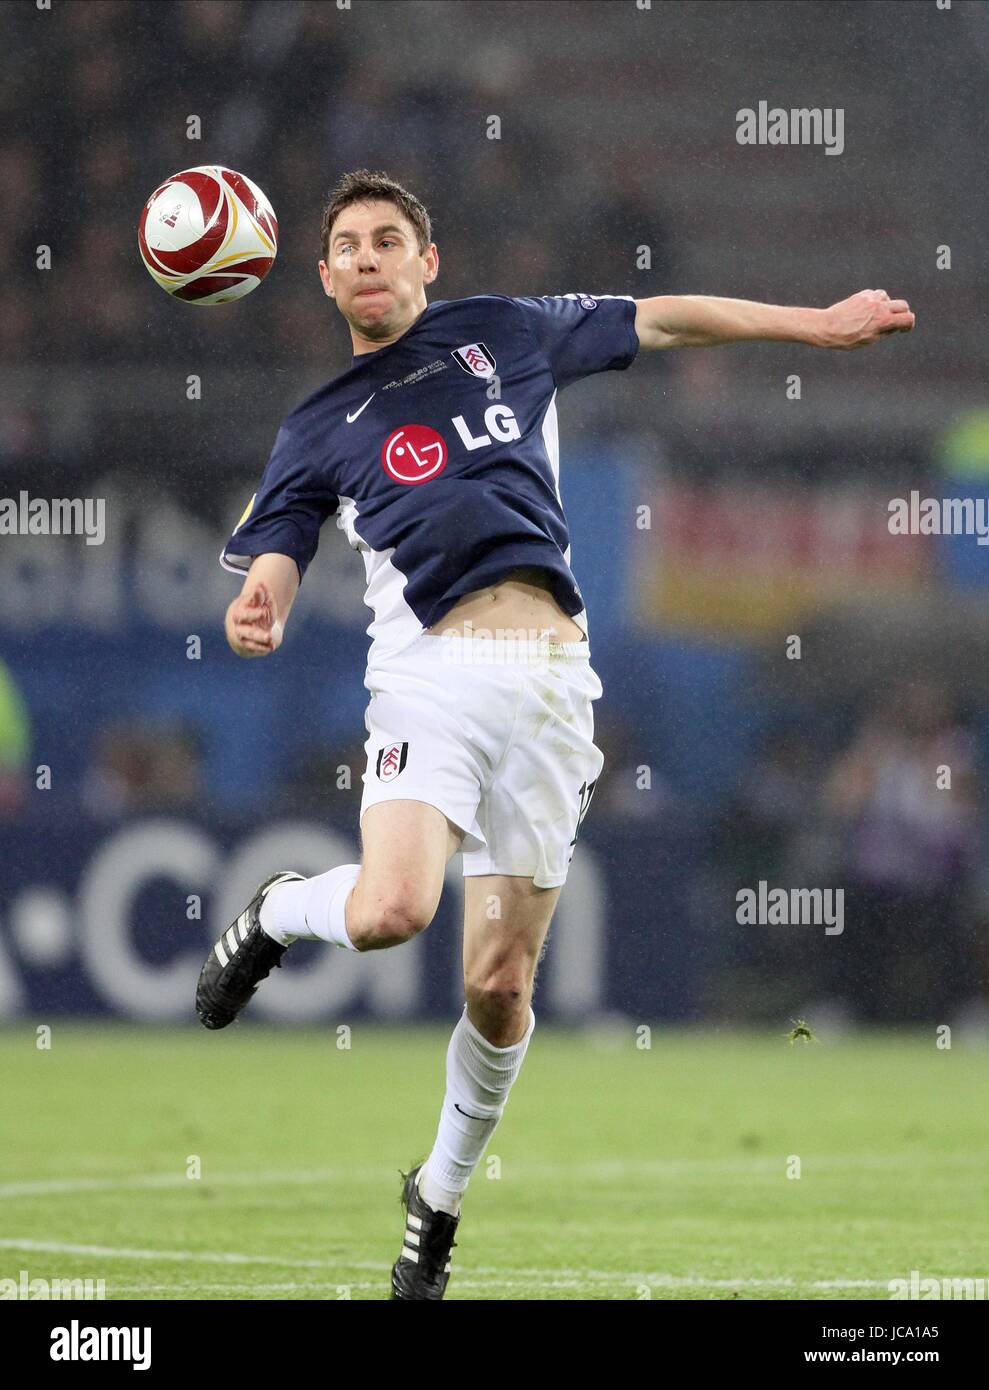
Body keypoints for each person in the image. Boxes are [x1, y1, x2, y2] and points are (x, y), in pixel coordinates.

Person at [195, 167, 914, 1300]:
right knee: (391, 909)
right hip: (427, 675)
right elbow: (277, 542)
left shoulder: (505, 334)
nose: (371, 255)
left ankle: (434, 1195)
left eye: (391, 238)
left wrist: (812, 324)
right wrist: (264, 600)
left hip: (546, 684)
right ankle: (280, 908)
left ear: (427, 263)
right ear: (324, 274)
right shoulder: (319, 422)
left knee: (499, 983)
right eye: (349, 244)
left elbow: (662, 317)